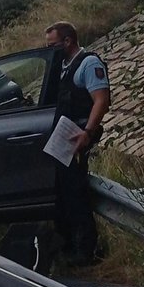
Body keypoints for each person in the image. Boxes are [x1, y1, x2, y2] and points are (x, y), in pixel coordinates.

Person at [46, 21, 111, 265]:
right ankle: (69, 244)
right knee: (63, 192)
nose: (50, 50)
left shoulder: (88, 64)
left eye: (53, 45)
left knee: (76, 193)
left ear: (68, 41)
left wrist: (87, 132)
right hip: (64, 138)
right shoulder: (63, 66)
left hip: (78, 137)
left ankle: (86, 250)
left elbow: (101, 100)